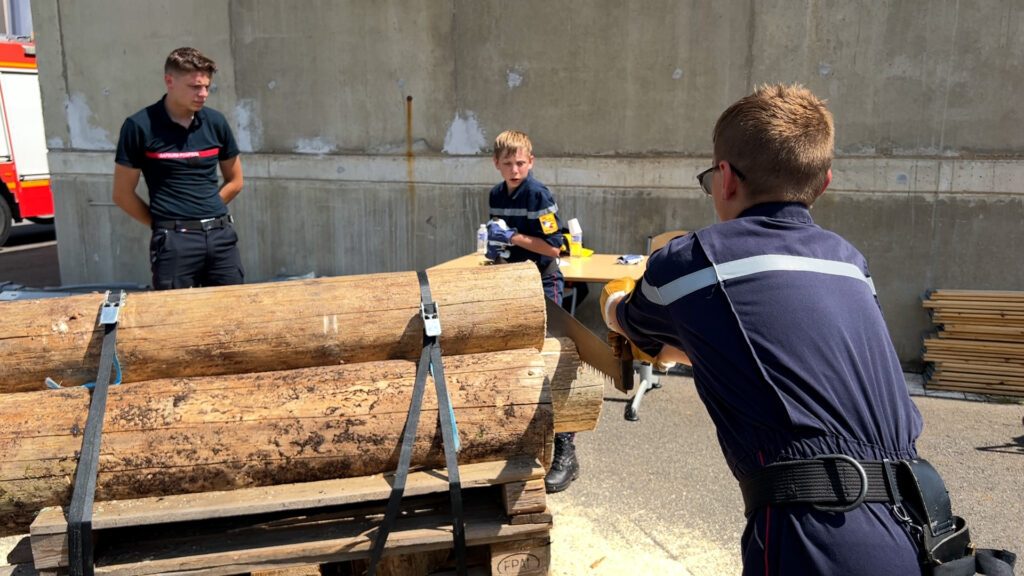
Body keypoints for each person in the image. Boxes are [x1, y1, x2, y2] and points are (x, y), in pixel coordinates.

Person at [602, 84, 946, 575]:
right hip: (918, 522)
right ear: (823, 182)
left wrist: (615, 292)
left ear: (724, 178)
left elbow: (629, 323)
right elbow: (782, 360)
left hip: (814, 534)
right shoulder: (849, 261)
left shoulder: (692, 260)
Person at [485, 130, 578, 494]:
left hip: (542, 283)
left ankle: (566, 448)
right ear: (496, 164)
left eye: (520, 162)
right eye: (507, 163)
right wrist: (498, 247)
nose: (514, 168)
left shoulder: (538, 194)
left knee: (553, 361)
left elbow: (556, 249)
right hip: (512, 282)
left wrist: (513, 239)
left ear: (531, 161)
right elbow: (504, 237)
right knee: (514, 360)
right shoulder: (496, 194)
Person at [113, 47, 244, 290]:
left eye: (207, 87)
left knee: (231, 315)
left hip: (221, 236)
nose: (203, 94)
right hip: (174, 241)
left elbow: (236, 180)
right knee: (174, 317)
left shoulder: (215, 122)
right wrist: (162, 224)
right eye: (195, 87)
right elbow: (122, 194)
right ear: (169, 81)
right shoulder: (139, 126)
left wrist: (206, 210)